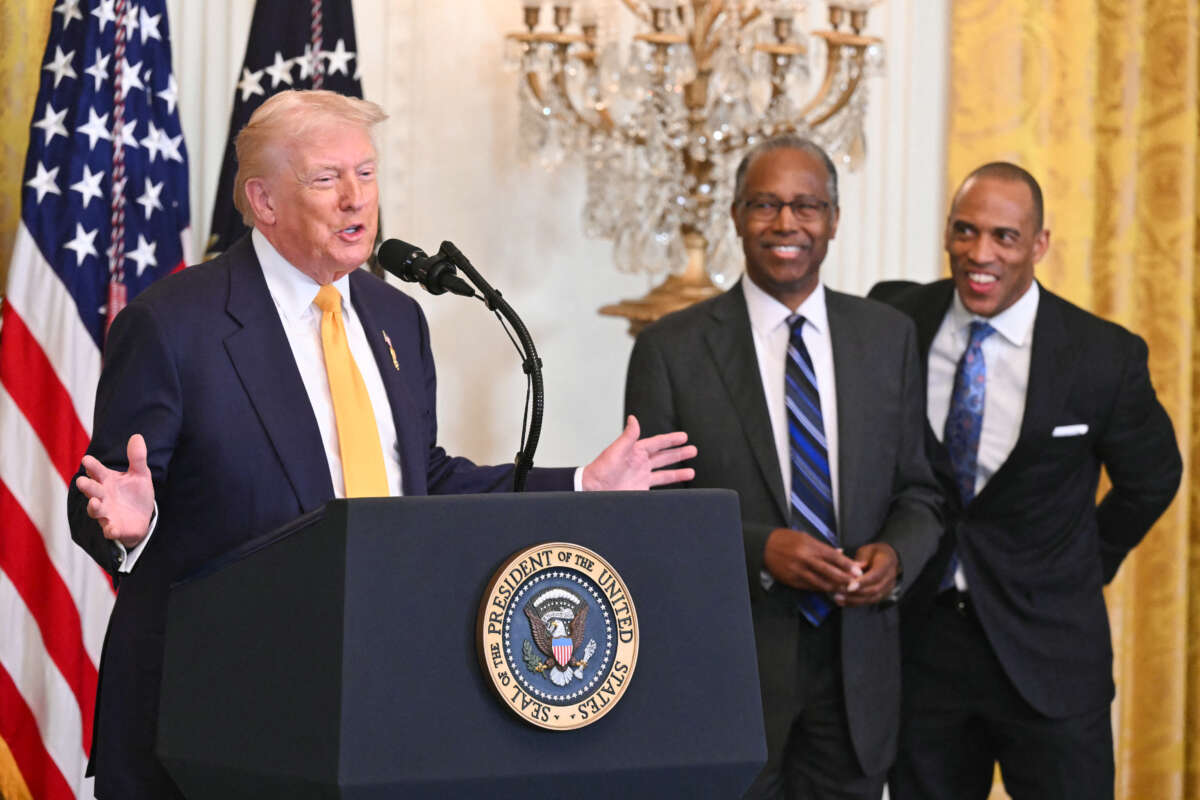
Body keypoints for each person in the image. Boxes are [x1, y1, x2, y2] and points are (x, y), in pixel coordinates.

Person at [68, 89, 696, 800]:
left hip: (368, 705)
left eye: (366, 174)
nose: (355, 200)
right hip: (213, 721)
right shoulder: (175, 323)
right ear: (264, 201)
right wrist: (132, 524)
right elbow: (104, 497)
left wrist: (582, 485)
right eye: (327, 179)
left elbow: (419, 480)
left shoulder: (396, 316)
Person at [624, 134, 943, 799]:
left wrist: (896, 558)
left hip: (858, 679)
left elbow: (920, 491)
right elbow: (647, 521)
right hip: (728, 681)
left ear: (832, 219)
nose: (787, 223)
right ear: (737, 217)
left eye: (807, 206)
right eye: (766, 205)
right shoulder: (670, 351)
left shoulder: (887, 338)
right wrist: (762, 550)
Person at [869, 162, 1182, 800]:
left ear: (1039, 245)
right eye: (965, 231)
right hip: (923, 647)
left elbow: (1153, 478)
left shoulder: (1102, 355)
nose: (980, 254)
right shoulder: (893, 318)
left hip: (1051, 654)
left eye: (1005, 237)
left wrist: (1083, 562)